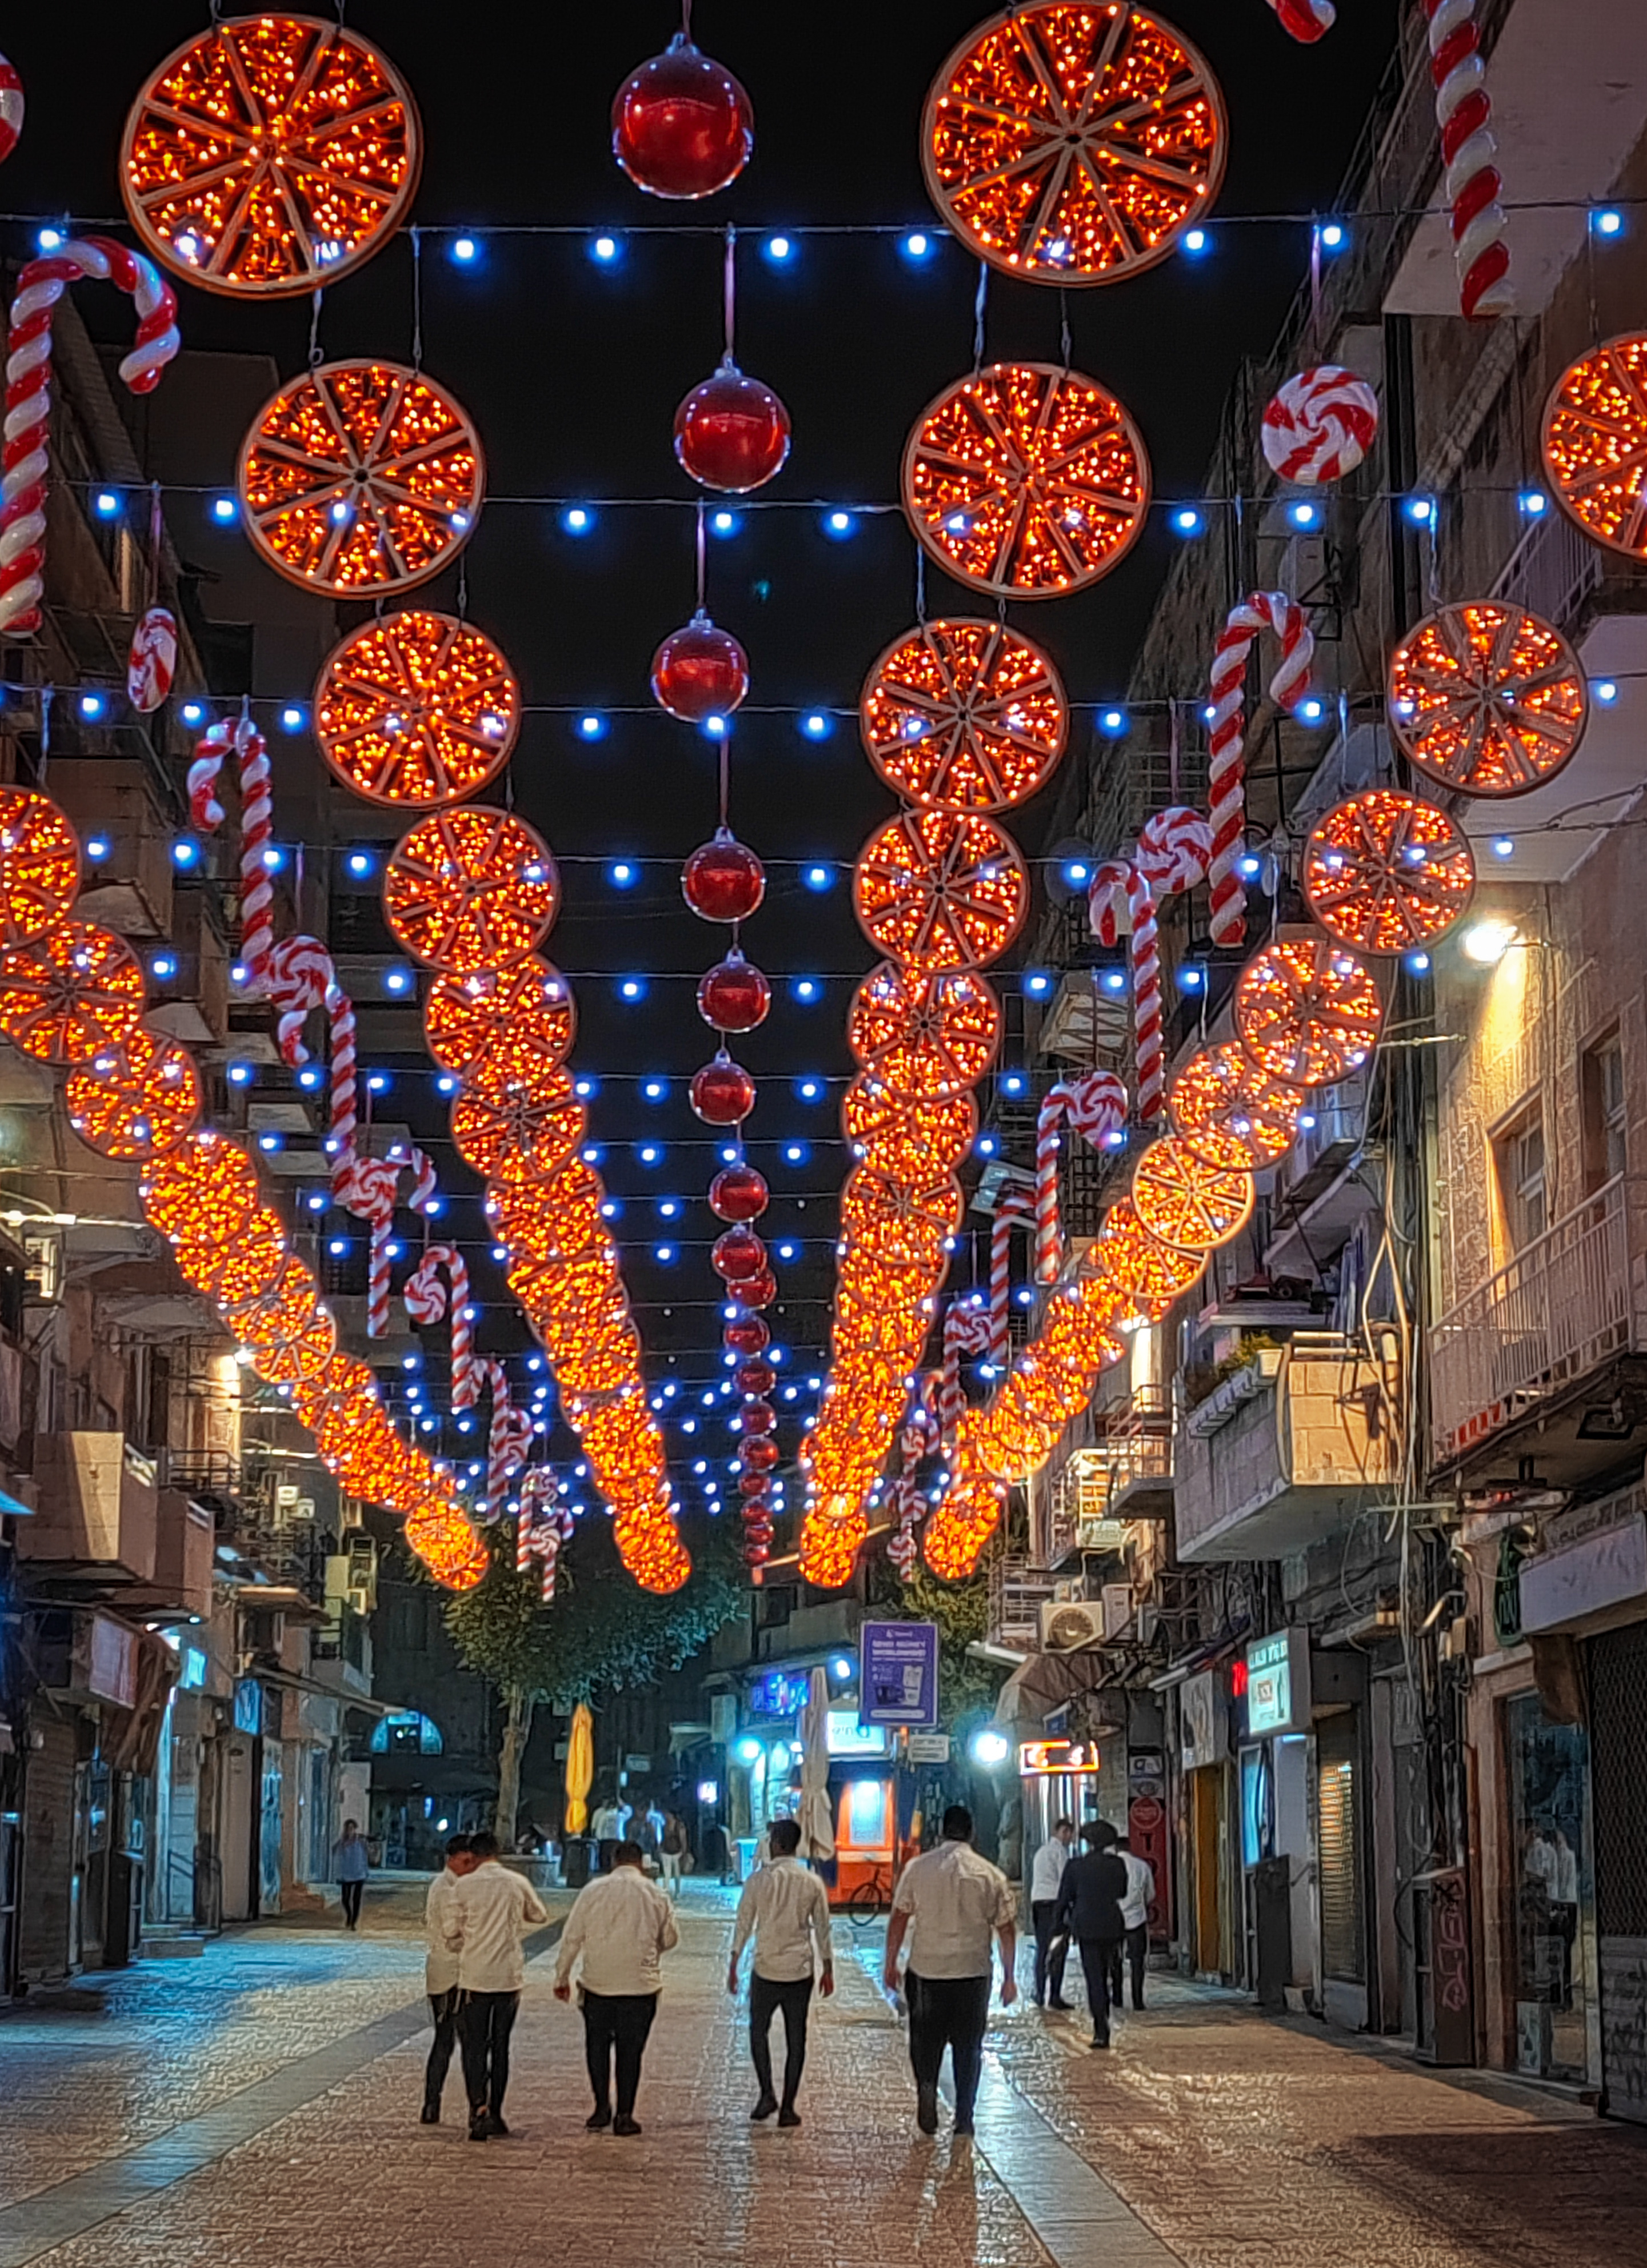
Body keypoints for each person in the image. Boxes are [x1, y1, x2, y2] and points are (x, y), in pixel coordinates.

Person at [882, 1804, 1017, 2138]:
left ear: (941, 1832)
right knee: (968, 2046)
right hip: (972, 1972)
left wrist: (890, 1963)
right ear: (972, 1833)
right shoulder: (990, 1874)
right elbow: (1007, 1928)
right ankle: (965, 2117)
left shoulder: (918, 1869)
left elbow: (899, 1917)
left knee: (924, 2039)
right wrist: (1010, 1976)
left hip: (927, 1970)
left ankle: (927, 2086)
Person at [555, 1838, 678, 2135]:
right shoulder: (656, 1894)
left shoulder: (592, 1891)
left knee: (597, 2048)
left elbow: (572, 1936)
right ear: (641, 1863)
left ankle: (601, 2108)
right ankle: (625, 2114)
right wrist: (653, 1950)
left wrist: (562, 1977)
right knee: (630, 2052)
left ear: (614, 1861)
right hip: (640, 1986)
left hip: (597, 1983)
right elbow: (671, 1938)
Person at [727, 1817, 834, 2127]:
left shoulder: (759, 1881)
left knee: (757, 2030)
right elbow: (824, 1929)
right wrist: (828, 1967)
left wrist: (734, 1962)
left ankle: (766, 2094)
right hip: (800, 1970)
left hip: (766, 1968)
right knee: (795, 2038)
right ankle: (788, 2106)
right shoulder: (811, 1882)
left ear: (776, 1844)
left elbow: (744, 1923)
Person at [446, 1828, 549, 2141]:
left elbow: (450, 1930)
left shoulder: (463, 1886)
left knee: (474, 2047)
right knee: (500, 2046)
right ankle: (496, 2112)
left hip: (474, 1976)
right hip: (507, 1976)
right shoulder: (516, 1882)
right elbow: (540, 1915)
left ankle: (477, 2107)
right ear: (497, 1853)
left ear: (473, 1857)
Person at [1056, 1821, 1128, 2049]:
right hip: (1111, 1924)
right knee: (1109, 1970)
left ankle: (1100, 2026)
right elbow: (1122, 1892)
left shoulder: (1075, 1866)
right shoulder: (1117, 1864)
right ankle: (1108, 2003)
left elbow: (1064, 1898)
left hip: (1086, 1926)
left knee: (1093, 1977)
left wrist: (1057, 1926)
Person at [422, 1834, 477, 2122]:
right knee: (452, 2041)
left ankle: (436, 2105)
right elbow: (449, 1932)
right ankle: (435, 2103)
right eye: (465, 1861)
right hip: (448, 1973)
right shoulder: (445, 1888)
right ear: (451, 1859)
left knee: (456, 2041)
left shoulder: (457, 1886)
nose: (470, 1867)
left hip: (454, 1972)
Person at [1029, 1818, 1076, 2009]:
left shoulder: (1041, 1852)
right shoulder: (1059, 1852)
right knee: (1058, 1950)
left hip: (1038, 1903)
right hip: (1055, 1906)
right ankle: (1054, 1996)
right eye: (1070, 1834)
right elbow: (1065, 1882)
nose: (1070, 1839)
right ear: (1063, 1831)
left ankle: (1039, 1993)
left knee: (1042, 1949)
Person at [1109, 1834, 1156, 2014]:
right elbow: (1150, 1894)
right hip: (1137, 1918)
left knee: (1115, 1960)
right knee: (1137, 1961)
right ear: (1130, 1847)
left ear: (1115, 1849)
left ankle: (1118, 1998)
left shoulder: (1110, 1867)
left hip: (1115, 1919)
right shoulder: (1142, 1866)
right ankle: (1138, 2000)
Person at [333, 1819, 370, 1930]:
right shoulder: (342, 1842)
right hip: (346, 1874)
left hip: (359, 1873)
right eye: (348, 1829)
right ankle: (349, 1915)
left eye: (352, 1829)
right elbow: (335, 1853)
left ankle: (354, 1922)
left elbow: (367, 1853)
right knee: (345, 1899)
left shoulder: (360, 1841)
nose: (350, 1831)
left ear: (355, 1829)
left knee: (356, 1899)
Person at [659, 1810, 689, 1898]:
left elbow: (683, 1840)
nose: (666, 1816)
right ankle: (666, 1890)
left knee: (677, 1874)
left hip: (677, 1852)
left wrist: (684, 1852)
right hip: (666, 1852)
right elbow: (663, 1839)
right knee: (667, 1874)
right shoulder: (664, 1826)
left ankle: (677, 1891)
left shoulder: (679, 1826)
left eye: (667, 1814)